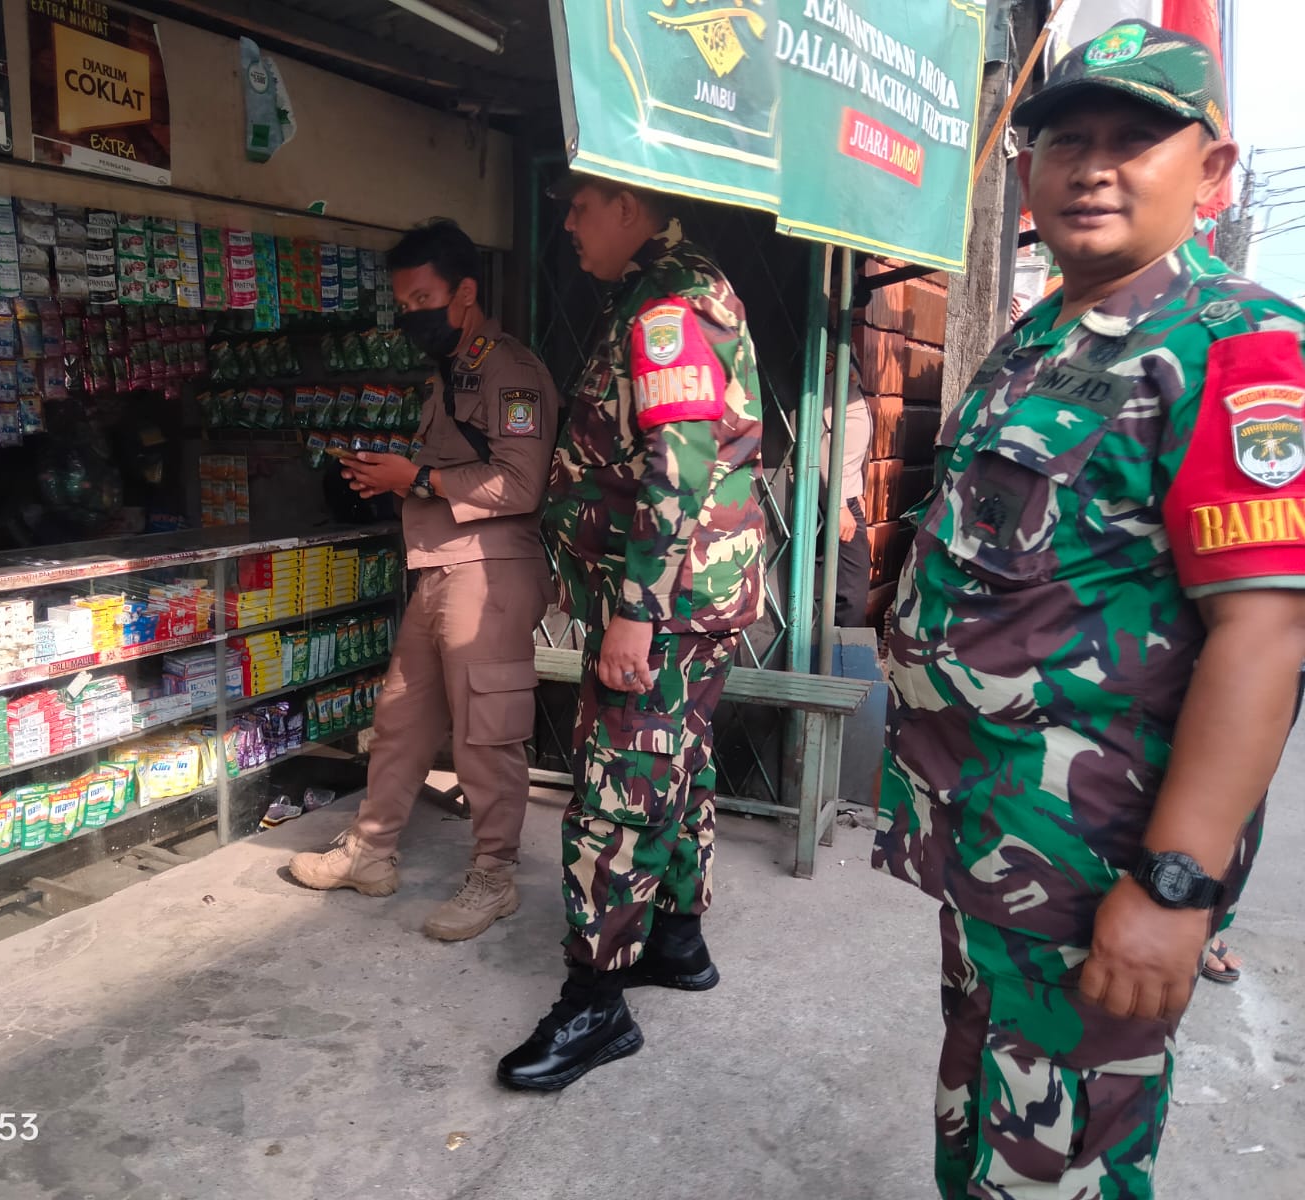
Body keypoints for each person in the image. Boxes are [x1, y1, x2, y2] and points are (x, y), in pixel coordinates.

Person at [873, 23, 1305, 1198]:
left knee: (1061, 1152)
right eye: (1066, 140)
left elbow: (1267, 631)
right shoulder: (1045, 332)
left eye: (1134, 141)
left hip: (1095, 863)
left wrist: (1176, 888)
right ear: (1027, 170)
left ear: (1211, 173)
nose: (1092, 166)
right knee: (986, 1104)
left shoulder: (1237, 348)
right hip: (990, 840)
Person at [496, 176, 766, 1091]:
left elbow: (676, 464)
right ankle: (678, 940)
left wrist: (633, 614)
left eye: (581, 204)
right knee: (675, 766)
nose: (566, 222)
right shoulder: (675, 288)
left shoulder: (667, 304)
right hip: (695, 598)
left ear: (631, 206)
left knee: (618, 789)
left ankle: (597, 998)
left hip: (665, 602)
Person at [287, 220, 559, 942]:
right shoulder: (452, 375)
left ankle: (493, 876)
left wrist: (419, 478)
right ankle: (370, 853)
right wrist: (388, 479)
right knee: (401, 722)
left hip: (491, 573)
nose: (413, 314)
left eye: (424, 297)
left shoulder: (511, 372)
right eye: (404, 302)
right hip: (440, 566)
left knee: (485, 736)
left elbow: (523, 481)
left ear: (465, 293)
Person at [820, 283, 874, 629]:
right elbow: (819, 428)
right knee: (850, 588)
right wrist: (839, 500)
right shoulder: (824, 349)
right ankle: (837, 671)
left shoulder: (842, 345)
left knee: (843, 580)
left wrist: (856, 489)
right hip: (831, 489)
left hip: (845, 489)